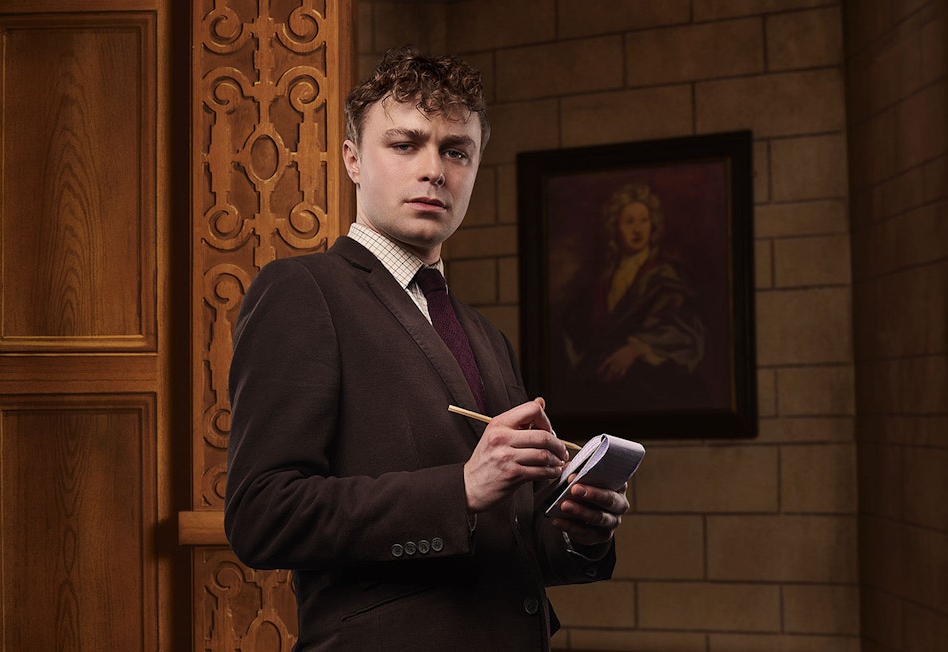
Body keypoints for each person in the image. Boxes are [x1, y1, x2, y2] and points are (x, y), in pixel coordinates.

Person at [224, 47, 630, 651]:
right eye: (406, 144)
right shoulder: (301, 292)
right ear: (353, 159)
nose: (434, 169)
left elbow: (513, 544)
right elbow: (263, 515)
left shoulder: (487, 338)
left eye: (455, 151)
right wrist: (460, 489)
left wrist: (581, 528)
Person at [555, 183, 706, 413]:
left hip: (651, 386)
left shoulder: (666, 276)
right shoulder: (602, 278)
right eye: (630, 221)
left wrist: (636, 348)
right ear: (615, 227)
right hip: (602, 394)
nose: (638, 229)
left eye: (644, 220)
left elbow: (684, 331)